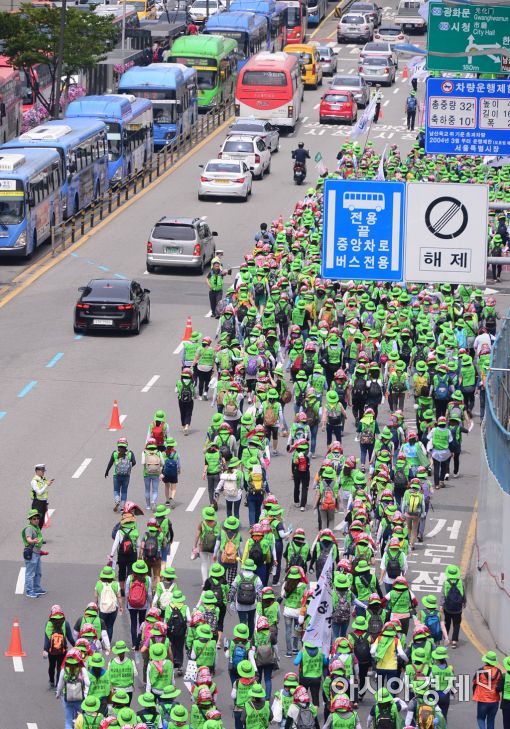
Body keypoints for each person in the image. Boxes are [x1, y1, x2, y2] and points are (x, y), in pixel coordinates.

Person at [56, 648, 90, 729]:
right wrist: (85, 693)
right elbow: (88, 683)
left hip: (67, 698)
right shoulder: (82, 670)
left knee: (68, 721)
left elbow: (60, 685)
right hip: (80, 699)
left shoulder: (64, 670)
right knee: (81, 720)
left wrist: (58, 694)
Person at [43, 604, 75, 688]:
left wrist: (45, 649)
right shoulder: (66, 623)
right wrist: (76, 646)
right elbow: (70, 638)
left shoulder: (48, 623)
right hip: (62, 650)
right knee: (60, 668)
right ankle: (58, 685)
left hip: (51, 650)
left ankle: (51, 681)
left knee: (51, 666)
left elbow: (47, 638)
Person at [125, 559, 152, 650]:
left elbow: (126, 592)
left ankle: (133, 644)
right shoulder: (147, 579)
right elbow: (149, 594)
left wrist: (127, 603)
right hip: (143, 605)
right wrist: (150, 603)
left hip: (132, 604)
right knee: (142, 624)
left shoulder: (130, 578)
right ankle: (140, 643)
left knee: (133, 623)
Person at [105, 438, 136, 512]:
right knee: (124, 491)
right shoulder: (130, 453)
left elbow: (110, 463)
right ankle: (122, 508)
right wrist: (128, 467)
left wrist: (107, 471)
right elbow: (134, 462)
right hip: (126, 476)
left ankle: (117, 500)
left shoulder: (115, 453)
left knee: (116, 490)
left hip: (117, 475)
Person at [473, 651, 502, 729]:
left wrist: (474, 695)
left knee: (480, 718)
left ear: (486, 660)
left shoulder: (480, 671)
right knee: (491, 720)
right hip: (494, 700)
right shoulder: (499, 672)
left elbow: (474, 682)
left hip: (483, 700)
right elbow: (500, 687)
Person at [95, 565, 122, 643]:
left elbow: (96, 597)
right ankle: (108, 643)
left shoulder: (98, 584)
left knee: (102, 626)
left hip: (102, 609)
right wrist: (120, 607)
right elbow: (119, 597)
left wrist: (95, 606)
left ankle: (102, 641)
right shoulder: (115, 584)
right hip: (113, 609)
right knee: (110, 626)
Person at [440, 564, 466, 648]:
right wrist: (464, 603)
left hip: (448, 607)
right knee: (457, 624)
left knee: (447, 623)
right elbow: (463, 594)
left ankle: (446, 639)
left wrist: (441, 605)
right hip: (458, 608)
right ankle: (454, 641)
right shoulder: (461, 582)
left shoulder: (446, 583)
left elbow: (443, 595)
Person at [22, 508, 46, 598]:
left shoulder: (36, 528)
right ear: (30, 519)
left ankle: (36, 588)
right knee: (30, 573)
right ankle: (29, 591)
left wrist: (41, 552)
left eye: (37, 518)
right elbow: (28, 539)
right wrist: (33, 541)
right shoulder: (29, 528)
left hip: (36, 553)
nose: (36, 520)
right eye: (34, 518)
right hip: (31, 554)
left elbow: (38, 542)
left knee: (38, 572)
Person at [108, 640, 138, 706]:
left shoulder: (111, 662)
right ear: (124, 650)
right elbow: (136, 674)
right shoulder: (131, 661)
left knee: (116, 710)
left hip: (116, 690)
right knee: (126, 710)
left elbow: (108, 677)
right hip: (128, 690)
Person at [141, 439, 165, 511]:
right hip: (156, 473)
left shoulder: (144, 452)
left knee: (147, 490)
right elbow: (163, 463)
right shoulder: (158, 452)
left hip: (146, 473)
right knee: (155, 490)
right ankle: (153, 501)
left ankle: (148, 506)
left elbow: (142, 462)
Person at [176, 367, 195, 435]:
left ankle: (184, 426)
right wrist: (193, 396)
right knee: (189, 413)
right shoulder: (192, 382)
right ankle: (187, 425)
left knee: (182, 413)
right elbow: (193, 391)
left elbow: (176, 391)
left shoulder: (179, 382)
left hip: (181, 400)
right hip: (190, 400)